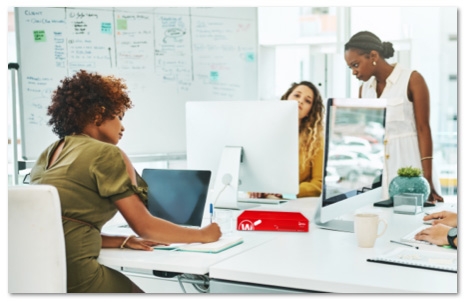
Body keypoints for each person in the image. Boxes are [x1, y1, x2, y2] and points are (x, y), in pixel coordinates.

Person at [29, 70, 221, 293]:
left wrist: (121, 240)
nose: (123, 127)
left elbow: (64, 226)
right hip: (77, 275)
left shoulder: (47, 154)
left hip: (42, 272)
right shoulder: (106, 153)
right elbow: (146, 227)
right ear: (99, 113)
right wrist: (204, 235)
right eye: (119, 116)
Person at [344, 31, 443, 203]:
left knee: (416, 224)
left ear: (373, 56)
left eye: (355, 64)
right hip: (380, 170)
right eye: (350, 67)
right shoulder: (364, 90)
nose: (354, 72)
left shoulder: (412, 79)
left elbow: (423, 129)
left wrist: (427, 178)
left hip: (411, 165)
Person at [250, 81, 325, 198]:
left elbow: (318, 184)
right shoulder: (263, 133)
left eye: (307, 101)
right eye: (297, 95)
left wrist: (287, 192)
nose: (300, 101)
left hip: (294, 203)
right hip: (261, 201)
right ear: (286, 98)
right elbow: (251, 173)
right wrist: (253, 186)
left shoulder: (315, 141)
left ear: (309, 111)